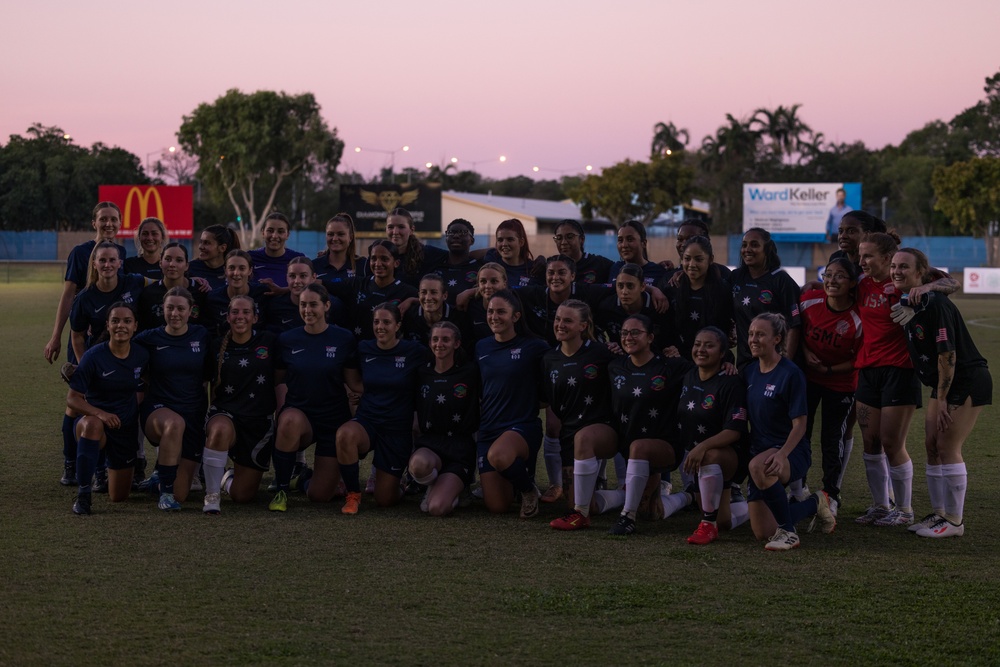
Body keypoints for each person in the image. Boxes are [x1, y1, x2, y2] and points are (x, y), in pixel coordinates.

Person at [852, 232, 958, 526]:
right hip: (868, 370)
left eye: (868, 256)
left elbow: (952, 283)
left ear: (887, 258)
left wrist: (925, 289)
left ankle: (905, 509)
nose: (861, 262)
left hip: (900, 369)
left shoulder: (904, 281)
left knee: (891, 442)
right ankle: (880, 505)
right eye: (861, 256)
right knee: (870, 442)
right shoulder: (860, 282)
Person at [891, 248, 991, 537]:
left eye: (904, 267)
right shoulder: (911, 301)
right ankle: (939, 515)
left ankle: (955, 522)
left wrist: (943, 398)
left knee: (947, 446)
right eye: (894, 266)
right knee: (932, 445)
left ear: (921, 273)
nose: (897, 271)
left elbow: (947, 355)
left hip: (966, 379)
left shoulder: (934, 302)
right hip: (943, 383)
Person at [44, 202, 126, 485]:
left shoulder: (122, 253)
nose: (108, 224)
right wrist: (56, 335)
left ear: (120, 222)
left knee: (103, 401)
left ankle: (100, 468)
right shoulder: (80, 253)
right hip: (82, 340)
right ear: (94, 222)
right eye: (103, 219)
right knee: (78, 404)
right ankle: (70, 463)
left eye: (113, 219)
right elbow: (68, 296)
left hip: (112, 344)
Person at [742, 314, 835, 551]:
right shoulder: (749, 372)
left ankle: (789, 533)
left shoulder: (791, 373)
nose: (754, 339)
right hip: (761, 453)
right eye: (751, 333)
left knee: (758, 466)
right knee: (762, 532)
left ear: (777, 339)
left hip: (791, 452)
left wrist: (782, 454)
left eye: (761, 334)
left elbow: (801, 425)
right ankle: (815, 502)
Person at [270, 284, 359, 512]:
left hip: (333, 420)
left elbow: (354, 383)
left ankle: (303, 479)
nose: (307, 310)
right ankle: (281, 489)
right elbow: (276, 379)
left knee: (319, 496)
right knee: (288, 420)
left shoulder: (344, 338)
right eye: (303, 305)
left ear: (326, 306)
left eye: (313, 304)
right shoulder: (287, 339)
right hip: (301, 415)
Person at [607, 314, 695, 536]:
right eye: (625, 333)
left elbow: (703, 370)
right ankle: (689, 496)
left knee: (639, 447)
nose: (628, 337)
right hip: (628, 446)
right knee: (652, 512)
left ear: (650, 338)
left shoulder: (671, 367)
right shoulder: (614, 365)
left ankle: (627, 517)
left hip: (663, 446)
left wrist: (725, 364)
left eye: (635, 332)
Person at [336, 303, 429, 512]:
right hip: (368, 420)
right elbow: (351, 375)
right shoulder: (364, 348)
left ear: (397, 325)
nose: (380, 327)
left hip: (397, 429)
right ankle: (353, 494)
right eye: (376, 321)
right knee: (344, 435)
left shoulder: (414, 351)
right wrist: (360, 390)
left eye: (386, 322)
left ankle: (403, 484)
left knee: (385, 500)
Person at [133, 287, 212, 511]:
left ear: (190, 311)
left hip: (194, 415)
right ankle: (165, 494)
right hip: (159, 411)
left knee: (183, 494)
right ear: (163, 310)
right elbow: (119, 350)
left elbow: (210, 374)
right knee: (174, 423)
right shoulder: (149, 338)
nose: (174, 313)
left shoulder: (201, 335)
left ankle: (161, 476)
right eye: (170, 308)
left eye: (180, 308)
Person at [66, 302, 149, 514]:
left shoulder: (142, 355)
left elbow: (148, 383)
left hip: (125, 427)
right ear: (108, 325)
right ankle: (84, 495)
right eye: (115, 321)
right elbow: (73, 399)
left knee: (118, 497)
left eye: (127, 321)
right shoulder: (93, 356)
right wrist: (100, 414)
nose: (121, 325)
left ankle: (102, 466)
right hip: (96, 424)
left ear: (135, 326)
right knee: (92, 425)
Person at [543, 301, 618, 530]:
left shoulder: (602, 353)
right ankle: (621, 496)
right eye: (558, 319)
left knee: (579, 506)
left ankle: (581, 515)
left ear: (583, 326)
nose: (560, 324)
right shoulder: (549, 359)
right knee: (582, 502)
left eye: (568, 320)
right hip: (569, 435)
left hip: (602, 431)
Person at [476, 290, 550, 517]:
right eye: (490, 311)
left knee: (499, 455)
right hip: (488, 428)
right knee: (497, 507)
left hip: (521, 425)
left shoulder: (535, 347)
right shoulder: (481, 347)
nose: (494, 317)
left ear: (516, 317)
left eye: (501, 312)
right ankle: (518, 480)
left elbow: (555, 373)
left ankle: (528, 490)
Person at [798, 258, 862, 513]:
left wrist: (828, 369)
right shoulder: (809, 301)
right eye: (829, 274)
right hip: (808, 379)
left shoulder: (858, 318)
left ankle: (830, 494)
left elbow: (858, 359)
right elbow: (796, 330)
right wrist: (804, 353)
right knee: (801, 432)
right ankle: (798, 486)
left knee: (832, 438)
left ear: (852, 283)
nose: (832, 280)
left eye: (840, 276)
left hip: (841, 383)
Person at [205, 295, 279, 513]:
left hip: (258, 422)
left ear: (255, 317)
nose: (240, 317)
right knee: (219, 429)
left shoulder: (269, 341)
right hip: (225, 414)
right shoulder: (216, 346)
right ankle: (211, 497)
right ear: (228, 317)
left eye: (246, 312)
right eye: (235, 312)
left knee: (242, 496)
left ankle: (225, 476)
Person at [679, 327, 751, 544]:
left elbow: (734, 431)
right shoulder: (689, 374)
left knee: (709, 456)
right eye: (698, 344)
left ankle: (707, 526)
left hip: (729, 455)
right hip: (699, 457)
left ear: (722, 353)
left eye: (709, 345)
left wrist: (702, 447)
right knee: (725, 522)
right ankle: (758, 505)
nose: (701, 349)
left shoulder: (731, 382)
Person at [409, 322, 480, 516]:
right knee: (418, 465)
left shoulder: (471, 372)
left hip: (460, 447)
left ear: (456, 343)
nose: (440, 344)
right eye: (435, 339)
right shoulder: (422, 373)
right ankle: (432, 485)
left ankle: (458, 488)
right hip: (430, 444)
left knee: (437, 508)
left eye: (446, 339)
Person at [730, 228, 801, 368]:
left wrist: (785, 363)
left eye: (755, 245)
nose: (747, 249)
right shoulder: (736, 277)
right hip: (745, 363)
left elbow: (795, 324)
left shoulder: (781, 280)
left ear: (767, 249)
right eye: (744, 245)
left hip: (772, 363)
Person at [326, 240, 418, 339]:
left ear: (396, 263)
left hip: (388, 351)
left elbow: (430, 301)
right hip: (358, 350)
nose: (378, 263)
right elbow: (324, 286)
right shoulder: (356, 284)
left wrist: (411, 300)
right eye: (373, 258)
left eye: (384, 259)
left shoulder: (407, 291)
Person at [662, 237, 734, 360]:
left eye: (699, 259)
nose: (692, 265)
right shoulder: (672, 287)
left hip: (713, 362)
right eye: (687, 259)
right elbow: (666, 328)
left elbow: (727, 328)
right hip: (679, 359)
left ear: (710, 259)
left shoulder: (723, 290)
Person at [261, 256, 346, 333]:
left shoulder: (332, 305)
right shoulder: (275, 305)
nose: (297, 281)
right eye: (292, 276)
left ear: (313, 277)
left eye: (303, 276)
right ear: (286, 278)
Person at [136, 242, 208, 331]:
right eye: (168, 259)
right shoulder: (148, 293)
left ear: (186, 266)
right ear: (160, 263)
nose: (172, 264)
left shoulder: (200, 290)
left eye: (179, 260)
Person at [204, 249, 269, 337]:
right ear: (225, 270)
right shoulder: (213, 298)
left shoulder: (263, 293)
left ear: (250, 271)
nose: (236, 273)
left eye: (242, 268)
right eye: (231, 268)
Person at [402, 273, 472, 349]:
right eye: (424, 292)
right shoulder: (409, 316)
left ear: (444, 296)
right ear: (419, 295)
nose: (428, 297)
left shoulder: (459, 318)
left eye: (434, 292)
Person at [385, 207, 448, 287]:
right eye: (390, 227)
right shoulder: (378, 255)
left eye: (401, 227)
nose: (395, 232)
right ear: (386, 229)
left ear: (411, 230)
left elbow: (455, 257)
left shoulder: (426, 253)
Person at [479, 218, 542, 287]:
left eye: (510, 239)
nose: (504, 244)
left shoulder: (534, 269)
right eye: (500, 240)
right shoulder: (491, 260)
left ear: (521, 242)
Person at [247, 212, 305, 287]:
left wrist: (282, 291)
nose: (274, 236)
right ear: (263, 233)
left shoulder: (298, 259)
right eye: (270, 231)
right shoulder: (250, 257)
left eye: (280, 231)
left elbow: (306, 286)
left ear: (287, 235)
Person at [551, 219, 613, 285]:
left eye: (569, 237)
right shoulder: (551, 268)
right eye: (559, 238)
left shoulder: (599, 264)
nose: (563, 242)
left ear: (582, 239)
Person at [609, 220, 667, 286]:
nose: (624, 245)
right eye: (620, 240)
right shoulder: (615, 268)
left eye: (630, 239)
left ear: (644, 243)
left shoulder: (658, 271)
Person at [314, 213, 367, 284]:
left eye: (340, 234)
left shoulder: (363, 265)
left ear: (350, 237)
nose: (335, 238)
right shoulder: (314, 266)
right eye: (330, 234)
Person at [436, 218, 480, 304]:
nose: (456, 236)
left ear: (472, 240)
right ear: (446, 239)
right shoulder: (435, 265)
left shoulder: (480, 268)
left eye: (463, 232)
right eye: (451, 232)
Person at [188, 224, 240, 289]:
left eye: (207, 243)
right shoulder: (190, 268)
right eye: (201, 242)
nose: (201, 247)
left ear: (222, 248)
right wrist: (188, 281)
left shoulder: (233, 272)